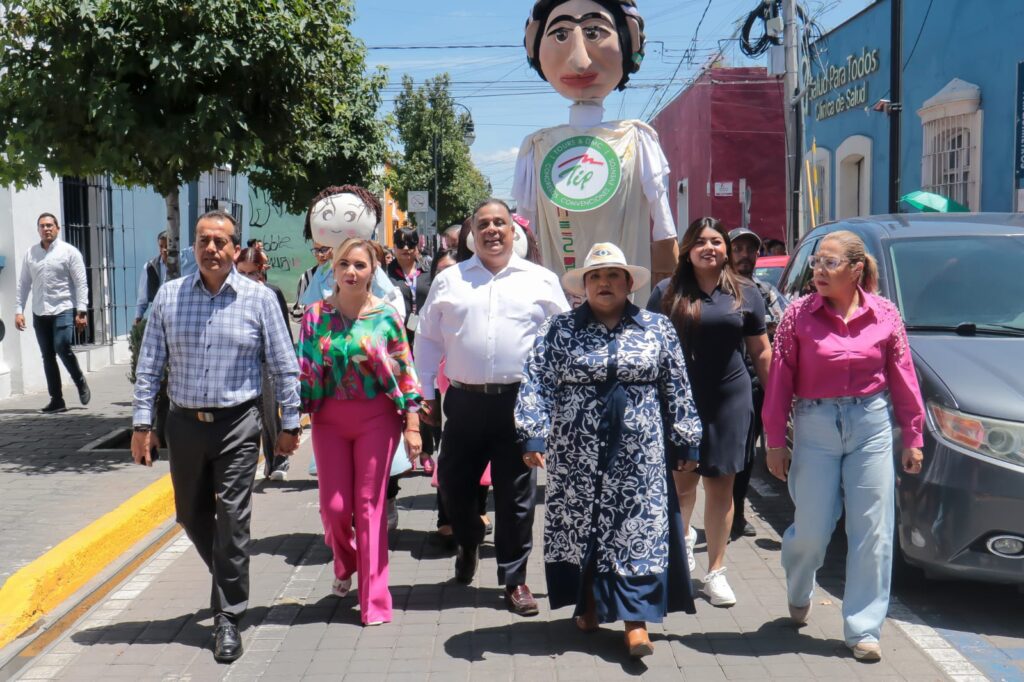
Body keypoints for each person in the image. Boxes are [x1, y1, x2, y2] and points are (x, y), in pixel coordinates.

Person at [130, 211, 301, 663]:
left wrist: (290, 424)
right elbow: (149, 368)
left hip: (238, 424)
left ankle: (228, 618)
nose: (212, 249)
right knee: (189, 514)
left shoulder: (258, 299)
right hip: (184, 424)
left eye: (221, 242)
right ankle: (229, 576)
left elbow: (285, 364)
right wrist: (142, 425)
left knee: (233, 517)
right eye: (204, 240)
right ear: (193, 247)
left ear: (236, 249)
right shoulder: (169, 297)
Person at [516, 242, 701, 657]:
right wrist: (533, 434)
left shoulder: (656, 327)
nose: (604, 283)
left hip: (640, 454)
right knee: (583, 526)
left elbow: (677, 385)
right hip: (575, 451)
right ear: (584, 285)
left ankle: (636, 621)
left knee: (637, 529)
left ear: (628, 283)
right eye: (595, 276)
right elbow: (537, 381)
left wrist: (686, 436)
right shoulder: (559, 329)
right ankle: (590, 603)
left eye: (613, 275)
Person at [762, 230, 925, 662]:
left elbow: (904, 377)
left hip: (870, 423)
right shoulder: (798, 316)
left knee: (873, 529)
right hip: (815, 424)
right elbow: (779, 382)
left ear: (856, 270)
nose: (818, 270)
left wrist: (913, 435)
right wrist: (775, 440)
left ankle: (863, 628)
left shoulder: (885, 314)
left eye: (829, 263)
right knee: (812, 531)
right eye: (816, 262)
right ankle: (799, 582)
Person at [414, 198, 569, 616]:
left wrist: (556, 396)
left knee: (516, 497)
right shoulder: (452, 281)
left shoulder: (541, 280)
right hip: (463, 400)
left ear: (513, 231)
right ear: (472, 235)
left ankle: (514, 579)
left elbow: (562, 339)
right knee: (453, 483)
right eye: (483, 224)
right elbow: (427, 338)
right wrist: (426, 391)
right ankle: (467, 542)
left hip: (521, 402)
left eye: (500, 222)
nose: (492, 230)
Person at [296, 238, 422, 626]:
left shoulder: (386, 316)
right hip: (329, 418)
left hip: (376, 418)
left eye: (360, 265)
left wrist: (412, 424)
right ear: (333, 270)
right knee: (334, 509)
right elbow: (303, 370)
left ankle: (375, 600)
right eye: (344, 264)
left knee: (370, 507)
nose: (351, 272)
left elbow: (405, 371)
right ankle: (345, 560)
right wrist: (291, 421)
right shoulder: (315, 316)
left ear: (373, 271)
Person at [655, 217, 771, 608]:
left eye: (717, 241)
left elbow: (761, 351)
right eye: (701, 241)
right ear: (687, 249)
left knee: (721, 485)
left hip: (729, 398)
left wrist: (774, 404)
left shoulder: (747, 292)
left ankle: (716, 570)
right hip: (678, 400)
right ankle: (681, 545)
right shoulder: (666, 291)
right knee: (682, 482)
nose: (710, 248)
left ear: (726, 248)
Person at [425, 249, 492, 543]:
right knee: (448, 453)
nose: (447, 277)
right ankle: (447, 517)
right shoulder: (432, 303)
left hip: (470, 381)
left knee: (481, 453)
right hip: (442, 380)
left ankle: (476, 509)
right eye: (440, 272)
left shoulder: (473, 298)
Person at [726, 227, 785, 540]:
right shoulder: (719, 290)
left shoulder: (765, 292)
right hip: (728, 382)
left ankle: (736, 511)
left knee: (750, 452)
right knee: (735, 450)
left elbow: (783, 326)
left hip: (758, 379)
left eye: (751, 249)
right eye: (739, 249)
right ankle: (728, 510)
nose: (746, 255)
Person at [15, 212, 91, 413]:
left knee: (61, 346)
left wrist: (81, 310)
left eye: (50, 225)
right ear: (38, 229)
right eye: (42, 226)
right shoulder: (31, 254)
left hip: (63, 308)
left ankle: (79, 380)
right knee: (47, 355)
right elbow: (23, 283)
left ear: (57, 228)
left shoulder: (69, 252)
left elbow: (81, 283)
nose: (46, 229)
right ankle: (57, 400)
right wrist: (18, 310)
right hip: (40, 312)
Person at [236, 248, 294, 482]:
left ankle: (277, 459)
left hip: (267, 364)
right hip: (240, 365)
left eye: (253, 273)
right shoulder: (229, 295)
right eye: (242, 273)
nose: (247, 279)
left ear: (262, 272)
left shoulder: (271, 294)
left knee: (269, 413)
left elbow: (284, 334)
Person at [387, 227, 436, 474]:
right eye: (401, 244)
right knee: (401, 396)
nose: (406, 249)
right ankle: (404, 453)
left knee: (424, 394)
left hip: (425, 341)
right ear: (394, 246)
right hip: (396, 343)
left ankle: (427, 450)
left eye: (411, 244)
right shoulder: (386, 275)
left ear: (418, 246)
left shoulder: (429, 272)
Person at [135, 231, 169, 324]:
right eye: (161, 246)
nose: (164, 250)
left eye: (167, 246)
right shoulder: (150, 266)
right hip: (158, 315)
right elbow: (142, 297)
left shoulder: (182, 264)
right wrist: (138, 317)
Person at [293, 242, 332, 319]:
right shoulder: (307, 276)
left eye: (324, 249)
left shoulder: (344, 275)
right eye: (316, 250)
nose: (320, 255)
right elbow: (297, 315)